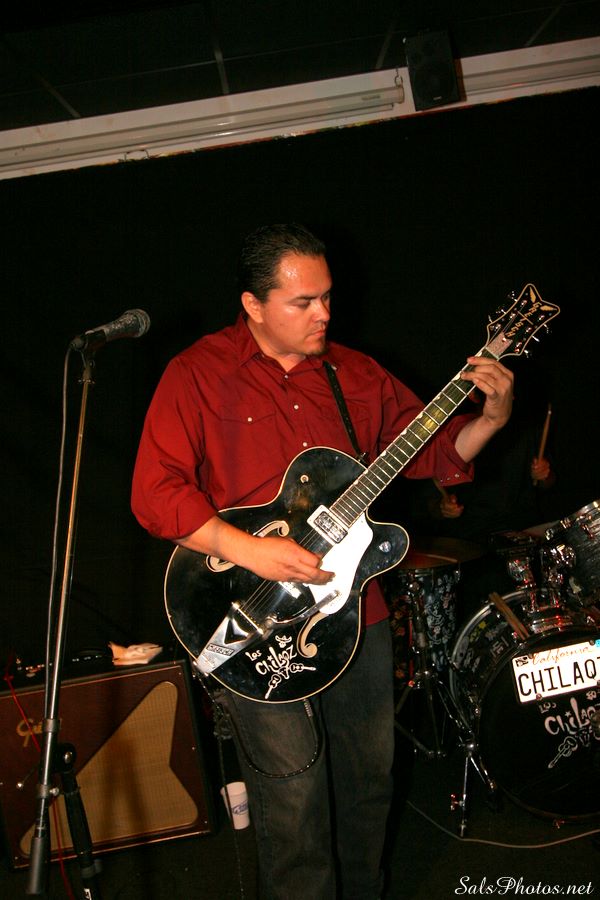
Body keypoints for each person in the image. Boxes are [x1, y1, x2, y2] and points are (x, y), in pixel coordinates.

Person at [131, 224, 513, 899]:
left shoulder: (356, 374)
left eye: (328, 297)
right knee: (294, 802)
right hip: (251, 614)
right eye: (303, 302)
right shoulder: (196, 373)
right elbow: (155, 494)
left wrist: (492, 418)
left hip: (355, 612)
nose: (324, 314)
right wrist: (251, 550)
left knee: (368, 785)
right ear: (252, 305)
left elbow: (434, 452)